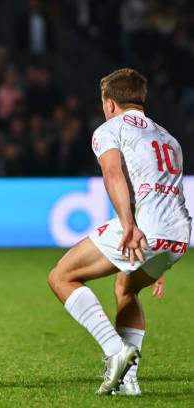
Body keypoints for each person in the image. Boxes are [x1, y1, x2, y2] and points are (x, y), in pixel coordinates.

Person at [48, 68, 191, 396]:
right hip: (178, 236)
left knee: (61, 277)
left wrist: (129, 226)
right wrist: (159, 256)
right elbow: (165, 191)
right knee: (126, 288)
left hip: (146, 228)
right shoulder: (168, 137)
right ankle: (129, 383)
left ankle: (115, 351)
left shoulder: (109, 129)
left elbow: (112, 173)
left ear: (110, 103)